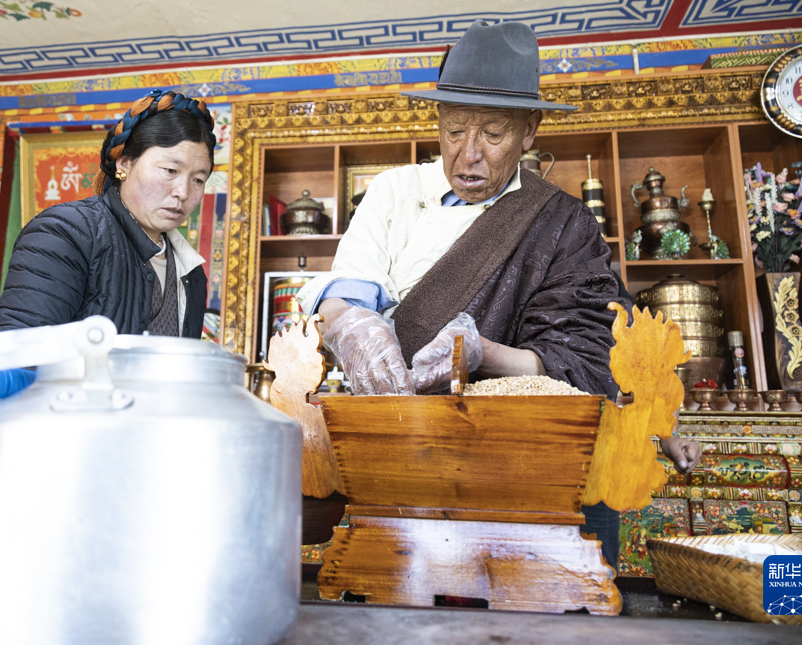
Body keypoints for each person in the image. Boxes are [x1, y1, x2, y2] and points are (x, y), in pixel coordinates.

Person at [295, 20, 700, 567]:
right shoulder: (393, 192)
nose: (468, 154)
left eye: (492, 134)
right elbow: (344, 293)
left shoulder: (564, 224)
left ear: (529, 130)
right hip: (405, 453)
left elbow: (588, 358)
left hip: (523, 461)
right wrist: (349, 325)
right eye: (454, 130)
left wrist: (481, 352)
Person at [0, 89, 216, 397]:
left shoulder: (191, 274)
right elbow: (16, 363)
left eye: (198, 179)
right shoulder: (66, 232)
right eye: (170, 170)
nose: (183, 191)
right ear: (124, 164)